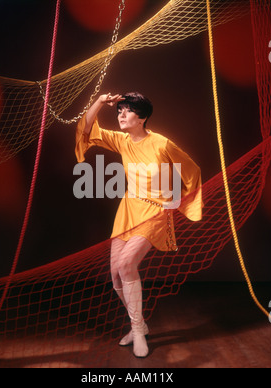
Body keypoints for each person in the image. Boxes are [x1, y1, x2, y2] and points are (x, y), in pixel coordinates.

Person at [75, 92, 203, 358]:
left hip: (155, 212)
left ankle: (137, 329)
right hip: (128, 210)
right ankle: (139, 326)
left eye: (127, 110)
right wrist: (100, 101)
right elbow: (86, 129)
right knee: (115, 276)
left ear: (142, 117)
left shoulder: (162, 144)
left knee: (126, 265)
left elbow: (192, 171)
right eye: (119, 110)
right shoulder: (122, 141)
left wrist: (178, 201)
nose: (120, 114)